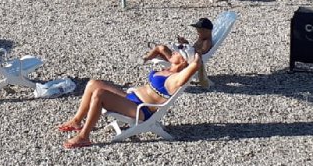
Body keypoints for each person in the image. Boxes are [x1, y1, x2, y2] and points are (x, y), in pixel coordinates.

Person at [57, 50, 204, 149]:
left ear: (183, 60)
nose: (174, 52)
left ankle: (84, 136)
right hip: (131, 98)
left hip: (142, 109)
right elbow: (163, 49)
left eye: (179, 52)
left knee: (100, 94)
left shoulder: (175, 79)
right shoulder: (169, 68)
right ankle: (77, 120)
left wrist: (196, 56)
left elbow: (195, 65)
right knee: (93, 83)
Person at [143, 17, 215, 87]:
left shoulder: (206, 42)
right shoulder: (202, 39)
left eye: (199, 31)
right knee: (161, 49)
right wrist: (186, 43)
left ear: (207, 31)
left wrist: (187, 47)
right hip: (183, 56)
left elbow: (201, 51)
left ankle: (146, 58)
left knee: (161, 48)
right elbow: (193, 50)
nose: (197, 33)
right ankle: (148, 57)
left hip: (182, 60)